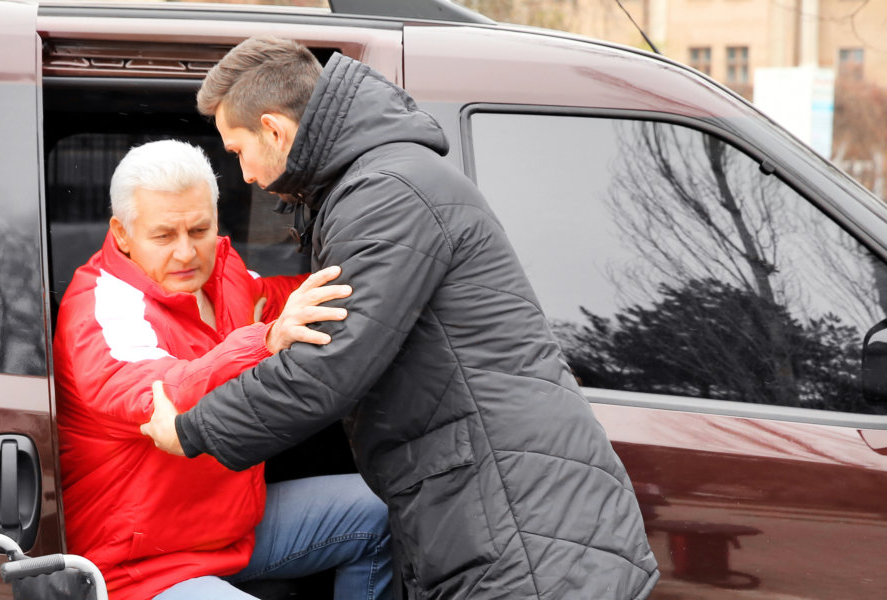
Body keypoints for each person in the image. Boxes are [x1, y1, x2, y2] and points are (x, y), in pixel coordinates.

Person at [137, 37, 660, 599]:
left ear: (275, 130)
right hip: (498, 513)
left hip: (522, 529)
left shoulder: (385, 194)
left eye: (237, 151)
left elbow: (328, 368)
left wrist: (191, 430)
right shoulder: (374, 184)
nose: (242, 175)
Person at [54, 139, 395, 600]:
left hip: (232, 532)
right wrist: (266, 339)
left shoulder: (225, 274)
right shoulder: (102, 307)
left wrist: (391, 273)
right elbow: (161, 396)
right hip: (142, 568)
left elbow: (290, 300)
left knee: (384, 511)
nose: (186, 253)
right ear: (121, 234)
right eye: (163, 236)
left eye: (199, 230)